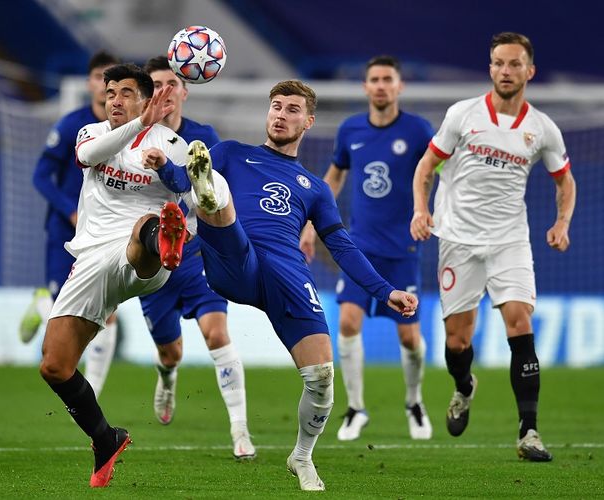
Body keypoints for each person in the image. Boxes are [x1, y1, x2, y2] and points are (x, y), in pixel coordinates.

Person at [147, 80, 418, 491]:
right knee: (214, 198)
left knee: (322, 377)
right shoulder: (232, 153)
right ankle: (212, 193)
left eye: (292, 109)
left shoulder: (316, 187)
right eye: (276, 106)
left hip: (286, 274)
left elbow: (342, 247)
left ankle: (302, 457)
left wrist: (385, 290)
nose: (281, 114)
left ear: (307, 121)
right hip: (232, 260)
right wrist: (166, 168)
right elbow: (180, 184)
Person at [410, 32, 576, 462]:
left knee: (520, 326)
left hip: (509, 241)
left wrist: (562, 222)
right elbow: (427, 165)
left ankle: (529, 432)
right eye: (499, 63)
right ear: (490, 68)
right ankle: (465, 387)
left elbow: (565, 181)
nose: (506, 71)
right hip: (459, 240)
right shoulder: (462, 115)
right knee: (458, 340)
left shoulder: (542, 128)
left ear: (530, 71)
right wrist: (420, 210)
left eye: (514, 64)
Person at [39, 63, 190, 488]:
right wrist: (141, 123)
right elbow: (86, 158)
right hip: (90, 260)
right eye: (110, 93)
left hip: (146, 259)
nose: (115, 100)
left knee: (145, 224)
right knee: (54, 365)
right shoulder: (91, 133)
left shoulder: (174, 145)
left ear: (146, 97)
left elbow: (192, 203)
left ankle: (162, 239)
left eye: (126, 92)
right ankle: (106, 439)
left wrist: (168, 177)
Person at [299, 55, 434, 441]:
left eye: (387, 79)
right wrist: (311, 221)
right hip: (359, 248)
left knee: (409, 337)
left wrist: (426, 210)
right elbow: (335, 175)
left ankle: (414, 402)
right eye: (373, 79)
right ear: (365, 86)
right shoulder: (351, 129)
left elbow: (435, 171)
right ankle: (356, 408)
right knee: (347, 322)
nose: (380, 85)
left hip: (403, 250)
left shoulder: (418, 130)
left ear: (399, 86)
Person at [140, 56, 255, 459]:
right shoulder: (131, 138)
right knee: (170, 351)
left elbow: (214, 192)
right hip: (151, 262)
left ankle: (240, 431)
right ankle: (167, 376)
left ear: (186, 90)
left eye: (172, 83)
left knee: (217, 334)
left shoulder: (203, 138)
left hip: (195, 254)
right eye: (155, 84)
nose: (165, 91)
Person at [19, 51, 120, 400]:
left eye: (112, 78)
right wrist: (69, 210)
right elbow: (41, 176)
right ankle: (42, 302)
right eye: (98, 77)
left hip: (105, 236)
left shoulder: (126, 131)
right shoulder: (70, 126)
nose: (105, 84)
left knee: (107, 314)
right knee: (60, 309)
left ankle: (95, 391)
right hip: (66, 232)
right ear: (90, 83)